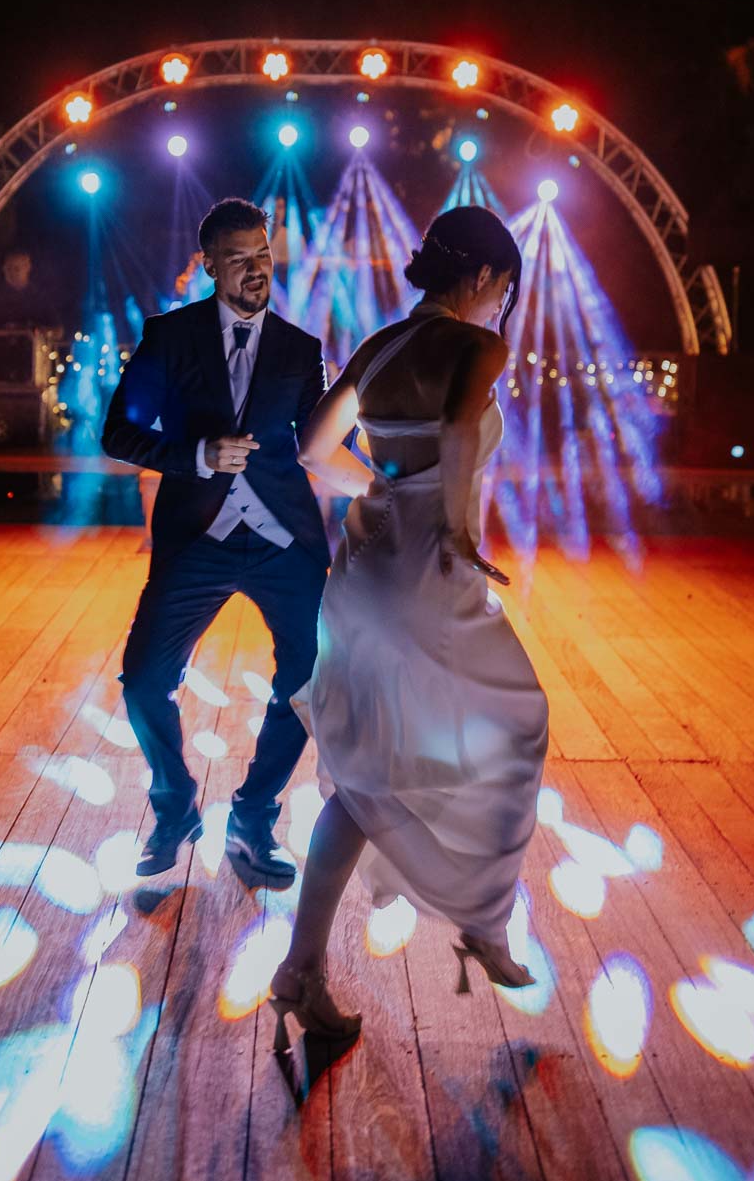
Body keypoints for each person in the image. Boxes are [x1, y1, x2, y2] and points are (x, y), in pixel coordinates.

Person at [268, 205, 549, 1049]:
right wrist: (455, 524)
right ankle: (481, 920)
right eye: (501, 288)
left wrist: (380, 489)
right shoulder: (476, 346)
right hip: (426, 572)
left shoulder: (379, 346)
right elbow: (461, 429)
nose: (500, 305)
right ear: (481, 279)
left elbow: (316, 447)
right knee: (511, 727)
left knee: (367, 777)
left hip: (363, 571)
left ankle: (302, 969)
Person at [101, 197, 329, 887]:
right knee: (143, 680)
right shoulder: (168, 337)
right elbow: (118, 432)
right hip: (196, 538)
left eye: (262, 253)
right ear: (208, 265)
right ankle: (174, 809)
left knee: (310, 683)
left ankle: (254, 817)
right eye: (239, 257)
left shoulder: (300, 348)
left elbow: (322, 447)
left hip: (283, 540)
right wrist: (197, 454)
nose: (257, 268)